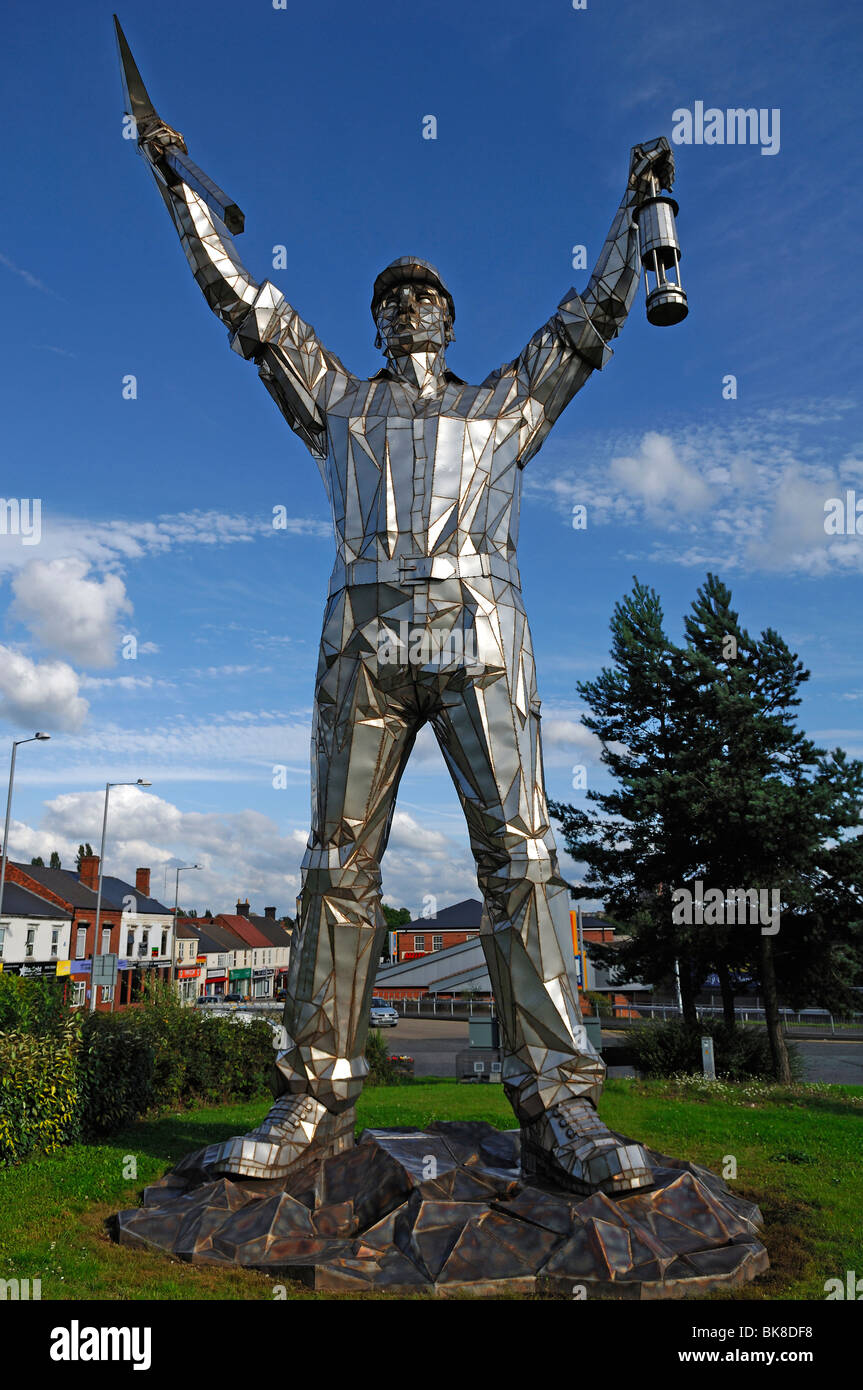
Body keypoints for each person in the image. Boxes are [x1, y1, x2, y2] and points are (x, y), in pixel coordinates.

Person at [132, 92, 674, 1195]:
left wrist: (633, 208)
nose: (409, 304)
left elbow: (591, 322)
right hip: (366, 637)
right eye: (392, 295)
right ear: (379, 320)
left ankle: (561, 1106)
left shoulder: (503, 408)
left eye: (424, 293)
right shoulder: (336, 405)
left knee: (521, 862)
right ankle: (311, 1096)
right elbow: (244, 310)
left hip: (476, 632)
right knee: (337, 867)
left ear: (448, 318)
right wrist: (179, 188)